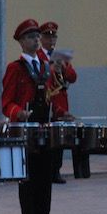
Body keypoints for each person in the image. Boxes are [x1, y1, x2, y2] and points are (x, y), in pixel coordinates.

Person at [2, 19, 63, 214]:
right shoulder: (15, 68)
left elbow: (51, 96)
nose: (36, 40)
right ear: (21, 42)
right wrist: (17, 112)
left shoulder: (46, 66)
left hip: (44, 125)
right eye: (30, 37)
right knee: (28, 173)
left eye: (37, 36)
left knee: (45, 170)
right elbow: (6, 102)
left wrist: (60, 113)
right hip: (25, 126)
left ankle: (43, 213)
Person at [36, 21, 81, 182]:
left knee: (59, 137)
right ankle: (45, 170)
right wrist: (50, 69)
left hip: (60, 100)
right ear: (41, 38)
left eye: (53, 37)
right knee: (46, 137)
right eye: (47, 37)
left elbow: (73, 77)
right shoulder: (37, 56)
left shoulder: (61, 56)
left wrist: (64, 68)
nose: (51, 40)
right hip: (45, 100)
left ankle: (56, 170)